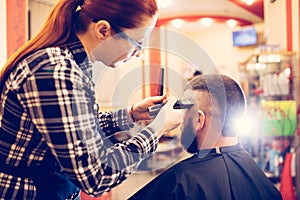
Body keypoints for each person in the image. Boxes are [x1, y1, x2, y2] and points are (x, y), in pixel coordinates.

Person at [0, 0, 183, 199]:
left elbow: (78, 132)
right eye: (136, 42)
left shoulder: (75, 64)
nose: (139, 53)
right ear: (103, 30)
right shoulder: (56, 72)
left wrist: (130, 115)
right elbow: (95, 177)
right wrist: (158, 128)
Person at [129, 74, 283, 200]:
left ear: (198, 120)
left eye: (184, 115)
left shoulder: (180, 182)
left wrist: (158, 127)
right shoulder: (264, 182)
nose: (182, 123)